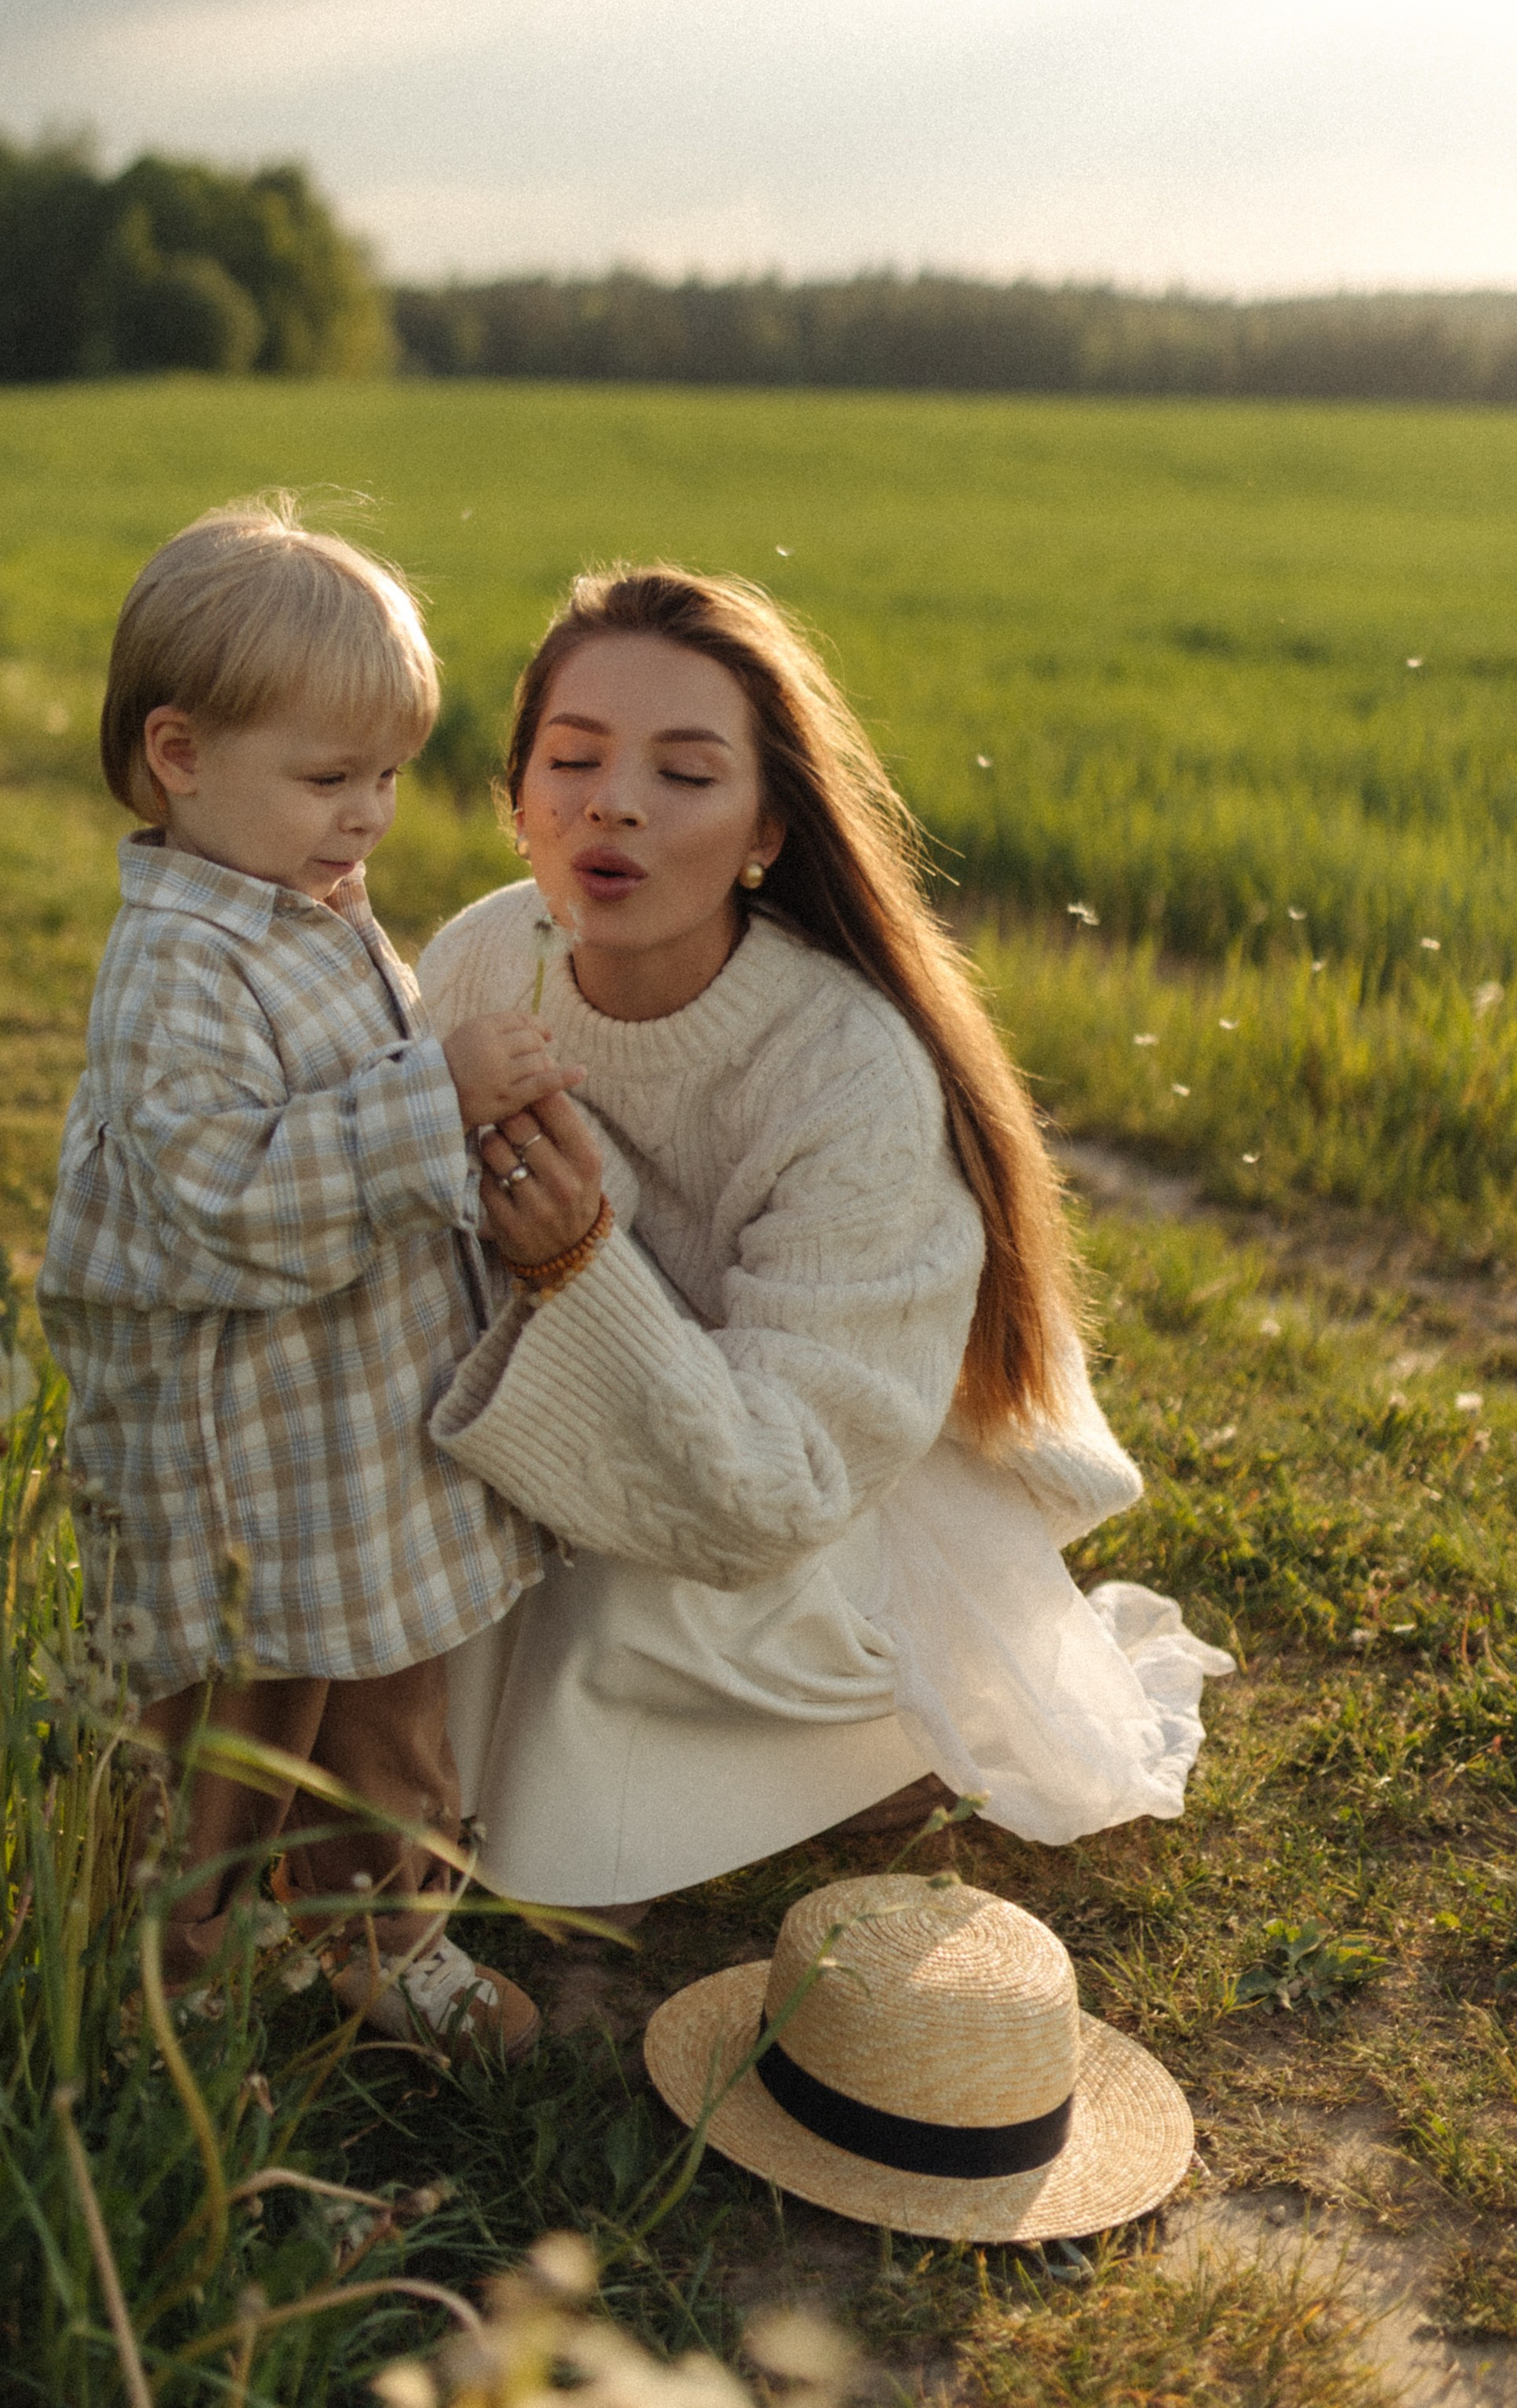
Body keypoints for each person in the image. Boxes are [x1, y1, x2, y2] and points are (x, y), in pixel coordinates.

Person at [419, 566, 1230, 1915]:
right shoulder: (482, 964)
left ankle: (876, 1739)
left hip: (820, 1485)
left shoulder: (847, 1074)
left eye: (685, 773)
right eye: (573, 758)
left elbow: (772, 1495)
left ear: (767, 827)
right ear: (517, 800)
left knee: (604, 1619)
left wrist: (578, 1263)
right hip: (599, 1410)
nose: (610, 803)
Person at [38, 499, 582, 2052]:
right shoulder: (175, 967)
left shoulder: (308, 906)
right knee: (230, 1728)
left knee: (389, 1708)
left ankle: (385, 1938)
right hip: (235, 1459)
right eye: (330, 778)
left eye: (392, 777)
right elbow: (225, 1197)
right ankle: (186, 1969)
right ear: (180, 756)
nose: (370, 818)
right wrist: (435, 1100)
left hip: (352, 1433)